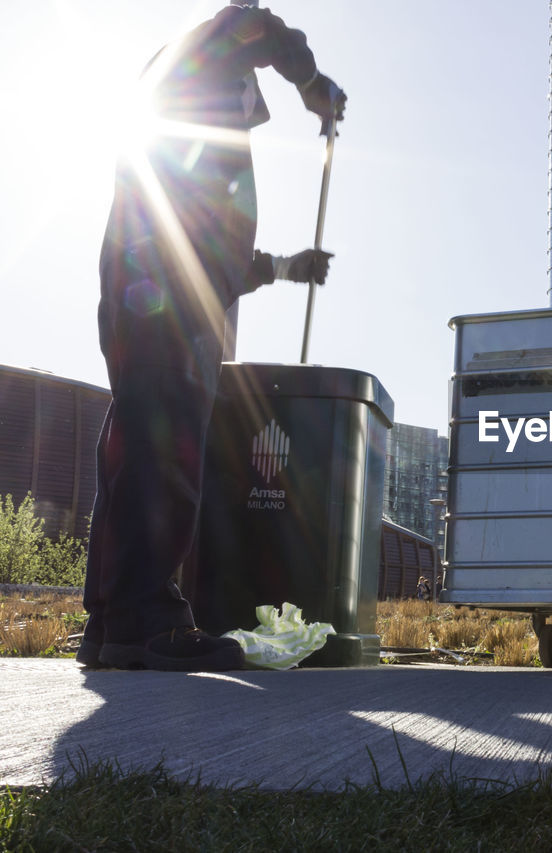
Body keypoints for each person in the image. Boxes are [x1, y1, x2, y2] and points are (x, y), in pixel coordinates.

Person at [78, 3, 346, 671]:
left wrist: (288, 268)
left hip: (150, 293)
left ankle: (112, 621)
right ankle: (148, 621)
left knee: (136, 441)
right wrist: (312, 81)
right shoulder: (203, 60)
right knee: (167, 447)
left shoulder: (188, 140)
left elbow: (220, 254)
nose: (249, 118)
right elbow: (252, 26)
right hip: (166, 296)